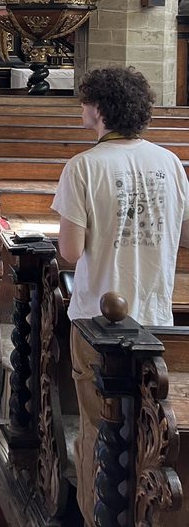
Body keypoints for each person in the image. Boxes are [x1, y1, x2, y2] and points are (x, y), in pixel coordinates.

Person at [51, 67, 189, 527]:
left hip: (98, 322)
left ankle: (96, 517)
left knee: (100, 432)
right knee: (143, 433)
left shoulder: (84, 166)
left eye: (85, 101)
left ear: (100, 110)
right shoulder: (170, 162)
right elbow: (182, 235)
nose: (81, 108)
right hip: (154, 314)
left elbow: (71, 252)